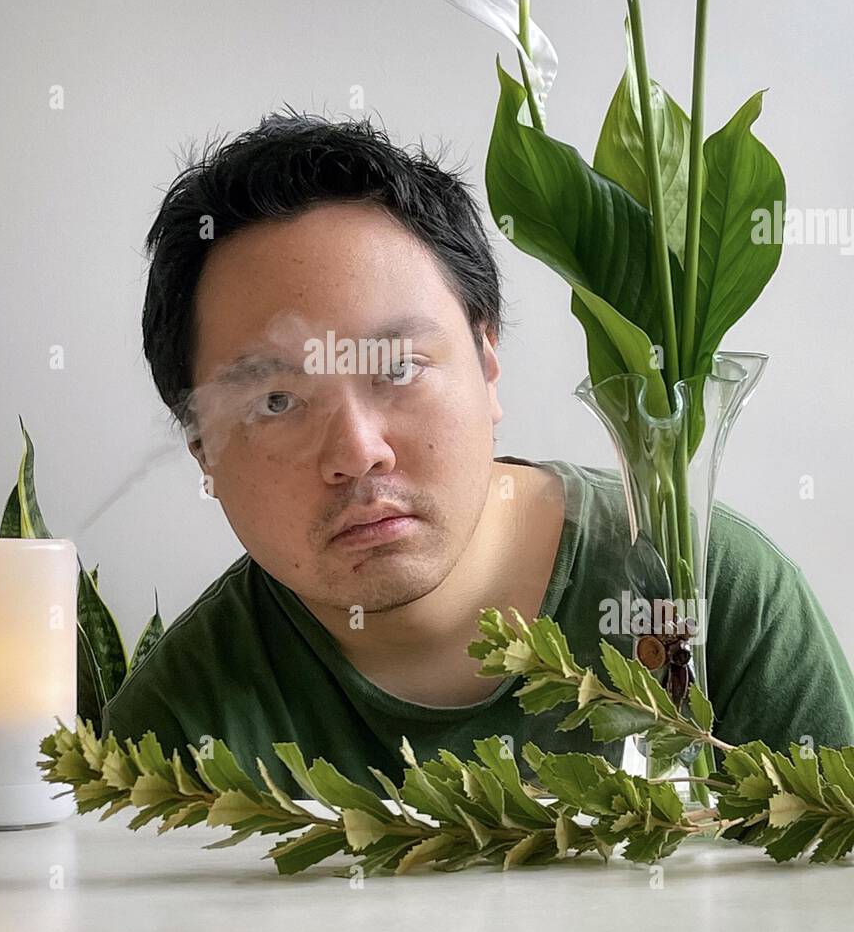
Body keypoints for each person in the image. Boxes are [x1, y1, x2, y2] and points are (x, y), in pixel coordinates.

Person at [101, 111, 854, 795]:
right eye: (276, 402)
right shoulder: (171, 733)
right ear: (203, 450)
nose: (359, 453)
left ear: (487, 361)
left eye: (396, 368)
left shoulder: (709, 590)